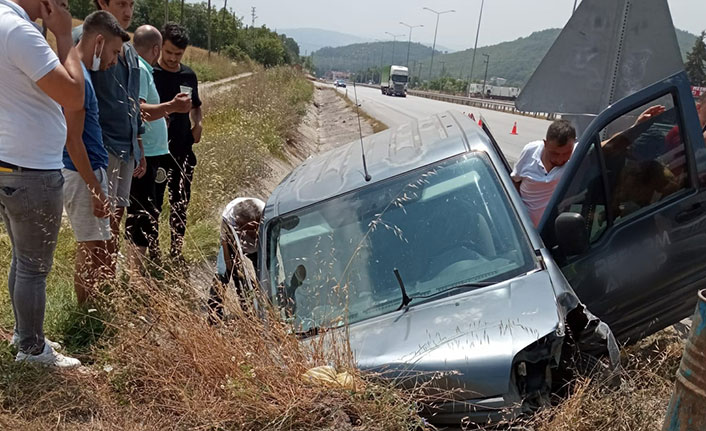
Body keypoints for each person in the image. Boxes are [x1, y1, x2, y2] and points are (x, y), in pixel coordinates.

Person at [0, 0, 84, 367]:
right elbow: (74, 96)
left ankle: (24, 334)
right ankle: (32, 351)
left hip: (8, 163)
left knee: (22, 259)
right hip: (32, 169)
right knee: (34, 266)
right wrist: (65, 36)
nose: (63, 5)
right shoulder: (19, 31)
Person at [73, 0, 145, 278]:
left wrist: (138, 140)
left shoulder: (129, 50)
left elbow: (132, 102)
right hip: (102, 147)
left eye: (132, 4)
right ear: (103, 3)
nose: (128, 11)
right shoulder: (86, 39)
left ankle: (107, 284)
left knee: (115, 222)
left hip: (126, 147)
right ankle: (92, 302)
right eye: (121, 3)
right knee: (95, 230)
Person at [63, 11, 130, 304]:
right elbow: (72, 140)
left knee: (101, 245)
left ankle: (98, 306)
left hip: (90, 171)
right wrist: (94, 189)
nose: (114, 60)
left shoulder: (84, 74)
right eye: (114, 51)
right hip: (81, 174)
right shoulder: (78, 77)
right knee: (90, 247)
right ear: (99, 42)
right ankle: (86, 313)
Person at [125, 25, 191, 273]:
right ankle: (136, 275)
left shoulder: (142, 68)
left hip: (150, 152)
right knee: (141, 212)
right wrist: (171, 107)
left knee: (147, 209)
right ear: (156, 48)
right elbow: (139, 111)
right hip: (147, 154)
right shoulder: (142, 70)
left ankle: (137, 271)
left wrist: (161, 114)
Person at [153, 22, 203, 263]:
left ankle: (176, 251)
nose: (173, 58)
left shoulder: (188, 75)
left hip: (183, 149)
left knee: (180, 202)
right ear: (160, 46)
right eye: (169, 52)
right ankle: (152, 251)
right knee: (152, 202)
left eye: (178, 54)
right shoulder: (151, 73)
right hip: (156, 152)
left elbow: (196, 106)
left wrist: (198, 124)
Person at [511, 119, 577, 227]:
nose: (560, 159)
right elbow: (515, 181)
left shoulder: (576, 154)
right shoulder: (530, 151)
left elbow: (609, 145)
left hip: (550, 230)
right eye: (554, 153)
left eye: (566, 153)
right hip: (523, 227)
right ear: (545, 143)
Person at [208, 197, 264, 322]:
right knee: (223, 274)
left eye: (249, 230)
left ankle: (267, 309)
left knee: (264, 274)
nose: (245, 234)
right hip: (233, 245)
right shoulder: (229, 220)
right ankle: (214, 314)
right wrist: (240, 277)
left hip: (259, 246)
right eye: (241, 229)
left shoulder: (264, 213)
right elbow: (229, 261)